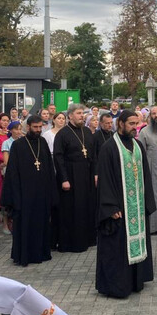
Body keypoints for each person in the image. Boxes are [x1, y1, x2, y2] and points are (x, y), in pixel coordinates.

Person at [95, 111, 155, 297]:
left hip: (136, 206)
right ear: (120, 123)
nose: (134, 127)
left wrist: (147, 202)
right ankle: (117, 285)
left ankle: (135, 281)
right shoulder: (109, 147)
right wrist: (111, 207)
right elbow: (105, 180)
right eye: (130, 123)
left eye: (136, 123)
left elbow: (146, 174)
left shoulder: (137, 146)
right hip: (119, 208)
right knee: (117, 248)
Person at [0, 116, 54, 266]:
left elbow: (49, 168)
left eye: (40, 127)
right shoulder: (18, 145)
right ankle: (24, 255)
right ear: (28, 127)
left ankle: (41, 253)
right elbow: (12, 173)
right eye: (35, 127)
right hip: (25, 195)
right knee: (25, 225)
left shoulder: (42, 142)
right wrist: (15, 196)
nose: (38, 130)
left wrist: (51, 191)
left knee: (41, 224)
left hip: (41, 193)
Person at [53, 104, 97, 253]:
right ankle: (71, 242)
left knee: (86, 206)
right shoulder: (63, 134)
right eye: (78, 113)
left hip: (87, 174)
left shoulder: (87, 131)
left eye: (83, 113)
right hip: (71, 175)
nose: (82, 116)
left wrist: (96, 173)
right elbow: (58, 158)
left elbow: (93, 154)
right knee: (71, 209)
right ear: (70, 116)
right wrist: (64, 179)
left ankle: (87, 239)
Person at [0, 121, 23, 235]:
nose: (19, 131)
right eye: (16, 129)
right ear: (11, 130)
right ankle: (5, 223)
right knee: (9, 198)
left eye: (20, 129)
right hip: (10, 173)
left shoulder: (23, 142)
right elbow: (6, 161)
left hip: (22, 175)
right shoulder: (7, 143)